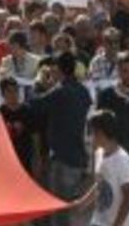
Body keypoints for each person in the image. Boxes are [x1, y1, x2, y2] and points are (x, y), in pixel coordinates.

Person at [30, 51, 92, 226]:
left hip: (63, 160)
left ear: (59, 69)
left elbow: (35, 105)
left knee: (60, 214)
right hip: (78, 158)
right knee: (68, 211)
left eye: (53, 68)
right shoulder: (83, 91)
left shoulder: (60, 91)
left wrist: (39, 82)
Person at [96, 51, 129, 226]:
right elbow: (99, 131)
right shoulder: (106, 96)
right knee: (113, 205)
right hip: (114, 160)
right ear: (118, 71)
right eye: (125, 70)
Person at [72, 109, 129, 226]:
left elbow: (128, 197)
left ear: (101, 133)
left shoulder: (122, 159)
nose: (90, 137)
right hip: (98, 221)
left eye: (92, 132)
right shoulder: (99, 153)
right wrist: (83, 202)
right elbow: (100, 184)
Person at [0, 76, 36, 174]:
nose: (13, 94)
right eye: (9, 91)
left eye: (15, 90)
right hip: (6, 161)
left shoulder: (28, 110)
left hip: (26, 159)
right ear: (3, 94)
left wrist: (38, 159)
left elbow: (36, 136)